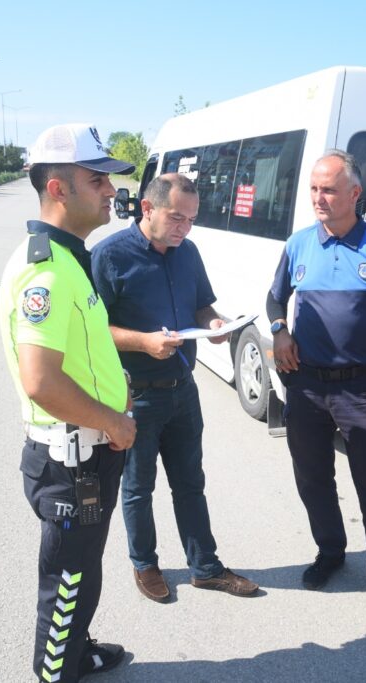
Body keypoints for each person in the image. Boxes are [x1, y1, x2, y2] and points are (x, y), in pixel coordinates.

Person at [0, 123, 138, 682]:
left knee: (81, 574)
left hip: (87, 452)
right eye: (97, 179)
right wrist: (114, 422)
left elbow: (79, 352)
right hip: (74, 460)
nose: (111, 190)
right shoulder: (48, 270)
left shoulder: (68, 258)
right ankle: (56, 671)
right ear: (58, 188)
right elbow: (41, 381)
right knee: (67, 585)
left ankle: (75, 653)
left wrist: (114, 384)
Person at [90, 173, 259, 603]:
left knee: (190, 483)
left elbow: (201, 305)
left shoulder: (188, 252)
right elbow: (93, 331)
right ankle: (145, 564)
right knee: (138, 488)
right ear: (147, 208)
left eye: (192, 220)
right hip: (136, 394)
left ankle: (205, 568)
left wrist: (214, 323)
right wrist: (143, 342)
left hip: (183, 389)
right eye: (177, 218)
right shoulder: (109, 256)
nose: (185, 228)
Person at [267, 149, 366, 624]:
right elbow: (275, 298)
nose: (318, 197)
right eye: (314, 189)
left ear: (355, 193)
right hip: (306, 385)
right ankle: (330, 551)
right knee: (312, 478)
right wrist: (279, 330)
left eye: (328, 189)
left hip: (361, 388)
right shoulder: (298, 245)